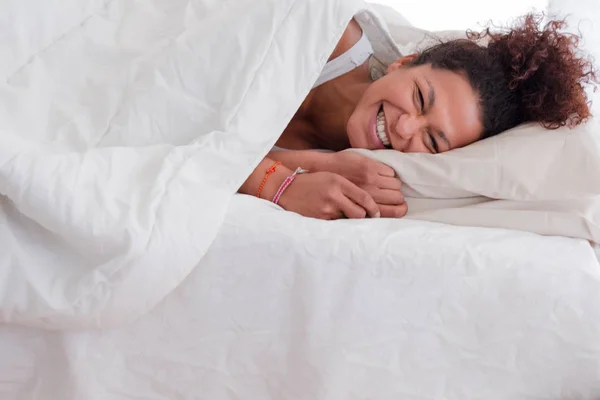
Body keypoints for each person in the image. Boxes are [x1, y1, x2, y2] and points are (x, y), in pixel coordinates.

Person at [238, 13, 598, 220]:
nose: (404, 126)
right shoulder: (326, 32)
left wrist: (310, 166)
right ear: (404, 63)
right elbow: (186, 111)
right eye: (420, 96)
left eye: (431, 140)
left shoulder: (352, 170)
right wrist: (279, 183)